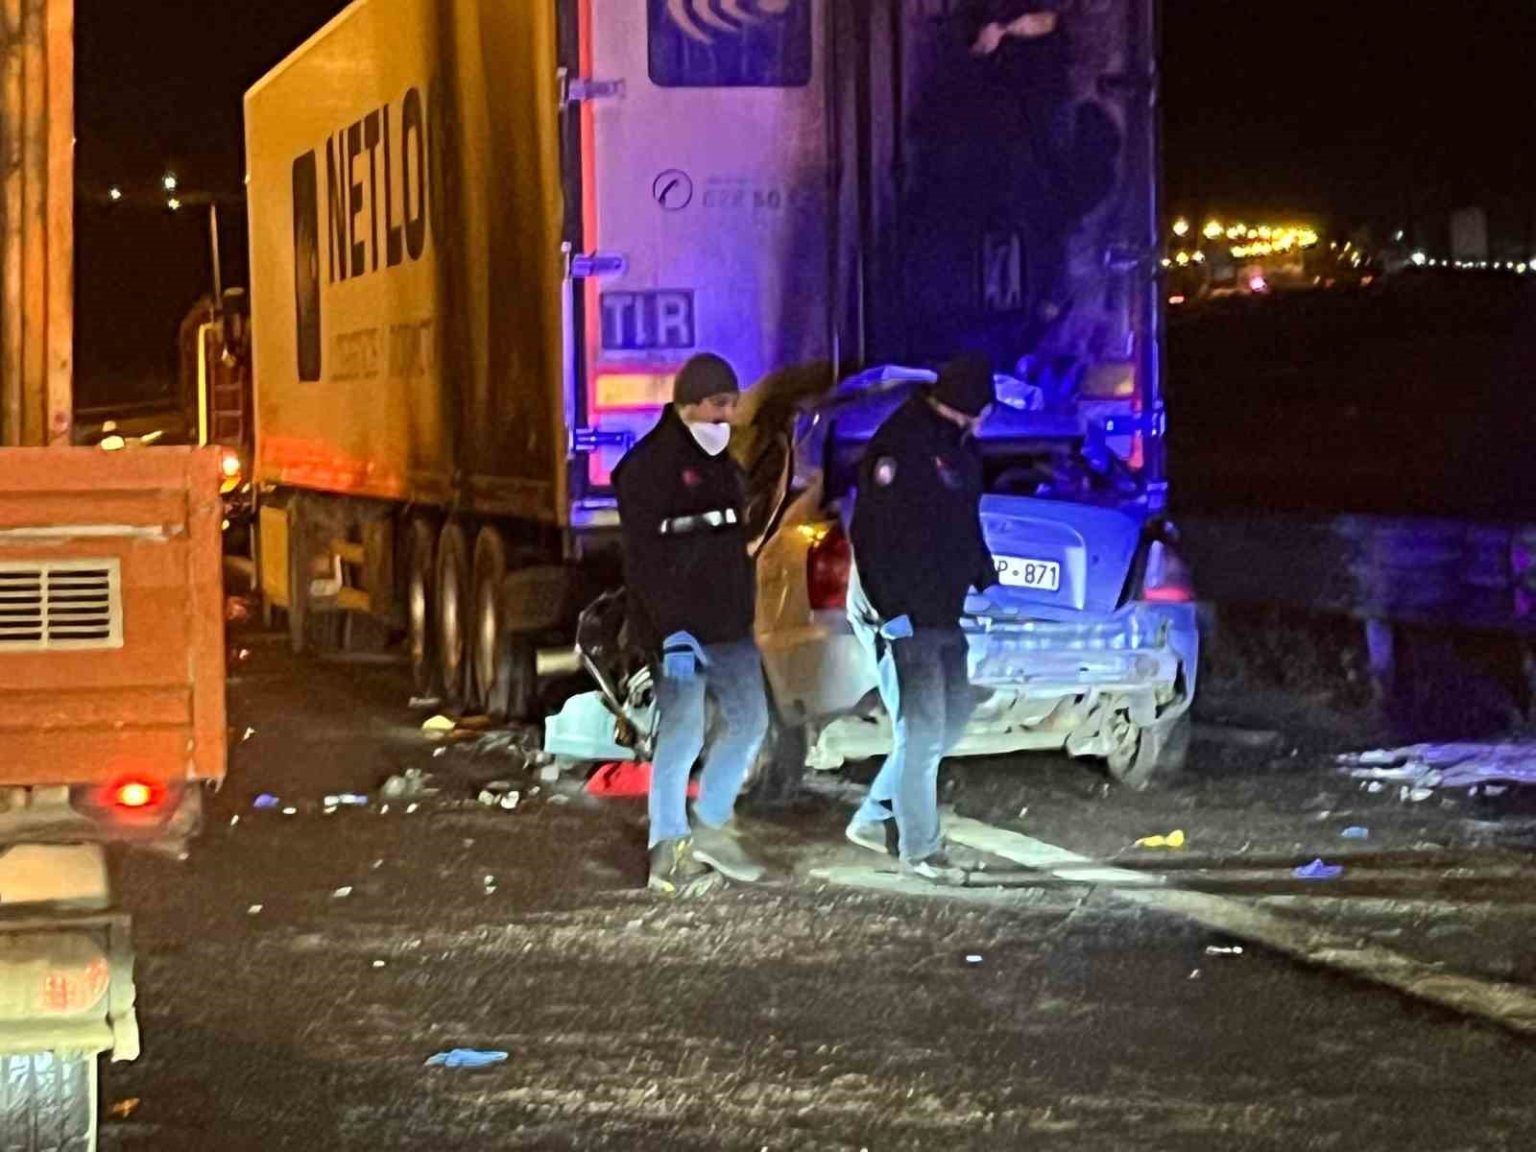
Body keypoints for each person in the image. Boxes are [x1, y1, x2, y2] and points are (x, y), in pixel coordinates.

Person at [612, 353, 770, 894]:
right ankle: (668, 848)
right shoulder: (649, 468)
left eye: (732, 405)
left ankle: (710, 823)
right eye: (718, 404)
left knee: (750, 721)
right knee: (682, 734)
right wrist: (671, 630)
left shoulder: (723, 464)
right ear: (689, 403)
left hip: (728, 625)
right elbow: (645, 563)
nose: (727, 416)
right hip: (677, 631)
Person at [845, 354, 999, 884]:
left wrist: (985, 576)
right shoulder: (901, 444)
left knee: (951, 720)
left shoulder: (961, 447)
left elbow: (963, 519)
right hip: (903, 610)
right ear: (969, 405)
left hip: (943, 608)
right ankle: (922, 849)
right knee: (924, 729)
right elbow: (872, 538)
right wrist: (893, 614)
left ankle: (875, 816)